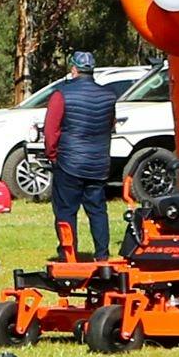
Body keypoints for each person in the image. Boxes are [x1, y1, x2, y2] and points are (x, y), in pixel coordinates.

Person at [46, 52, 123, 262]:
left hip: (69, 162)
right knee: (98, 210)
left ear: (74, 69)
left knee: (65, 211)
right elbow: (110, 126)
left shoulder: (61, 95)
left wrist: (52, 155)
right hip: (98, 163)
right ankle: (102, 255)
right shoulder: (109, 96)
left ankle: (68, 255)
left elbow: (51, 130)